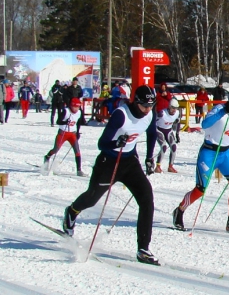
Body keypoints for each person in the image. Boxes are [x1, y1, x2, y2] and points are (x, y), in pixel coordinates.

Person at [61, 85, 160, 265]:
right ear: (136, 102)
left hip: (129, 161)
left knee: (147, 198)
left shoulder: (150, 113)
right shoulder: (121, 115)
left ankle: (143, 248)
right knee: (91, 199)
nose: (148, 110)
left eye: (151, 106)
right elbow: (102, 144)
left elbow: (152, 133)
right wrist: (116, 142)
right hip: (109, 162)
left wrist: (148, 158)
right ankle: (71, 211)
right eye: (145, 105)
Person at [172, 95, 229, 234]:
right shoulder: (219, 109)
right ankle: (180, 210)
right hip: (209, 152)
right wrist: (224, 111)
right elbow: (204, 124)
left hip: (225, 154)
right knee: (200, 190)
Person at [43, 98, 85, 176]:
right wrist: (65, 122)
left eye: (78, 107)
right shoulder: (66, 111)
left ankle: (79, 170)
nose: (76, 109)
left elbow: (78, 122)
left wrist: (78, 132)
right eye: (74, 107)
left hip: (72, 133)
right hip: (63, 133)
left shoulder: (79, 112)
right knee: (56, 149)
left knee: (77, 151)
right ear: (71, 106)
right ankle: (47, 157)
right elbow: (58, 121)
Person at [147, 98, 182, 174]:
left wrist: (177, 134)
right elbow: (152, 121)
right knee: (164, 147)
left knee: (174, 147)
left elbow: (178, 122)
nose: (174, 110)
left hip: (168, 130)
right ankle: (158, 166)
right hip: (159, 130)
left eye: (175, 108)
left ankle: (170, 166)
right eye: (172, 108)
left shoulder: (177, 113)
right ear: (169, 107)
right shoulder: (162, 113)